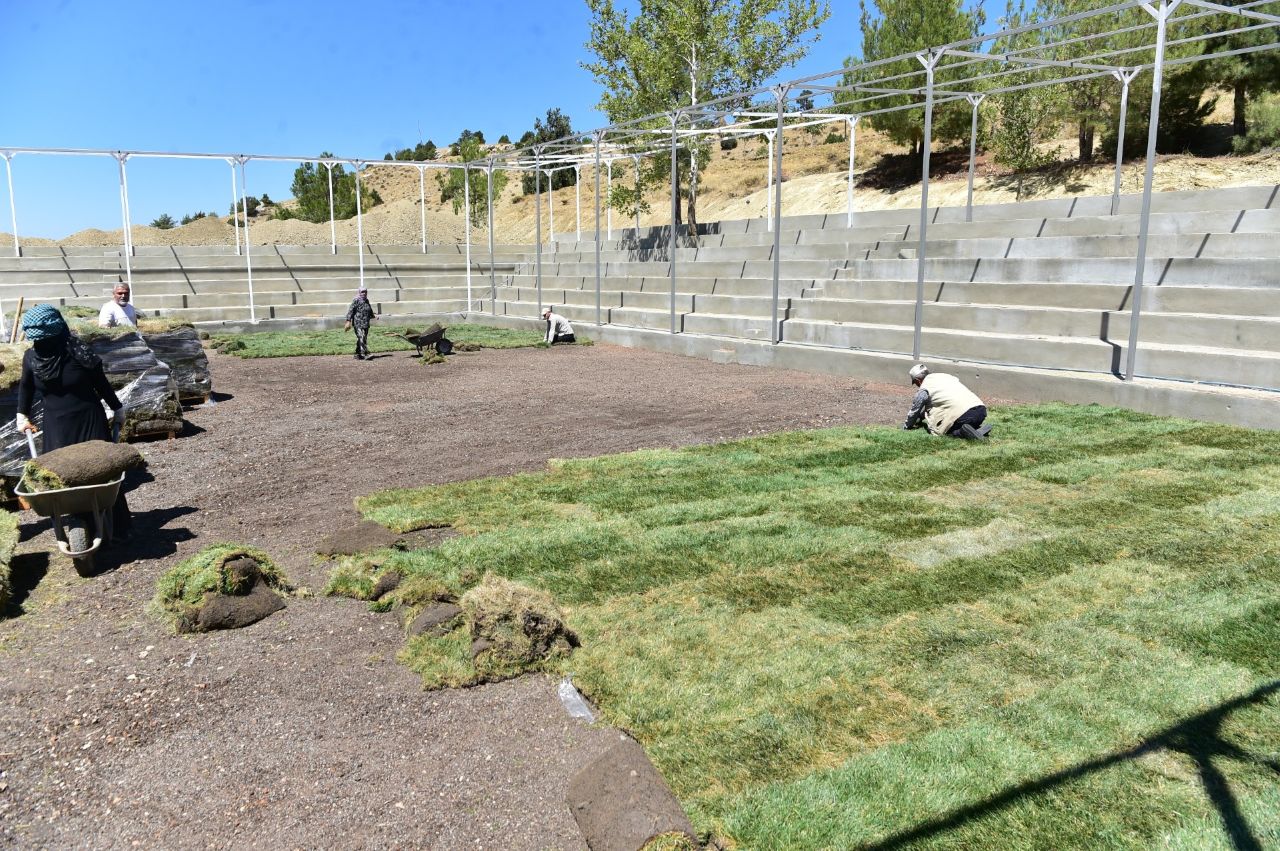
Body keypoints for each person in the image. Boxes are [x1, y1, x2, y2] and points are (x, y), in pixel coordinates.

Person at [17, 304, 132, 537]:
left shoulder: (78, 352)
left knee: (103, 472)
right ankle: (85, 522)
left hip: (88, 422)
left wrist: (117, 407)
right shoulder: (32, 358)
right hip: (57, 427)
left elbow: (101, 383)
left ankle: (119, 526)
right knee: (67, 478)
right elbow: (26, 387)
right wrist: (22, 414)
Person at [902, 363, 991, 440]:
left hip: (964, 415)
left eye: (916, 383)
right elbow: (943, 401)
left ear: (918, 381)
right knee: (965, 421)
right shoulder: (944, 376)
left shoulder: (924, 388)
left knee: (946, 432)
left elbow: (915, 410)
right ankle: (977, 429)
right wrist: (921, 417)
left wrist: (907, 426)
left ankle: (964, 432)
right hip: (980, 410)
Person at [343, 286, 377, 360]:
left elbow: (369, 309)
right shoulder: (356, 300)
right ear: (359, 292)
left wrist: (374, 316)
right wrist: (348, 320)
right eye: (362, 292)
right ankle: (364, 354)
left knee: (363, 338)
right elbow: (350, 311)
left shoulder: (367, 300)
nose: (364, 293)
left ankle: (357, 354)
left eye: (365, 291)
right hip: (357, 323)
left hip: (365, 323)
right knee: (361, 337)